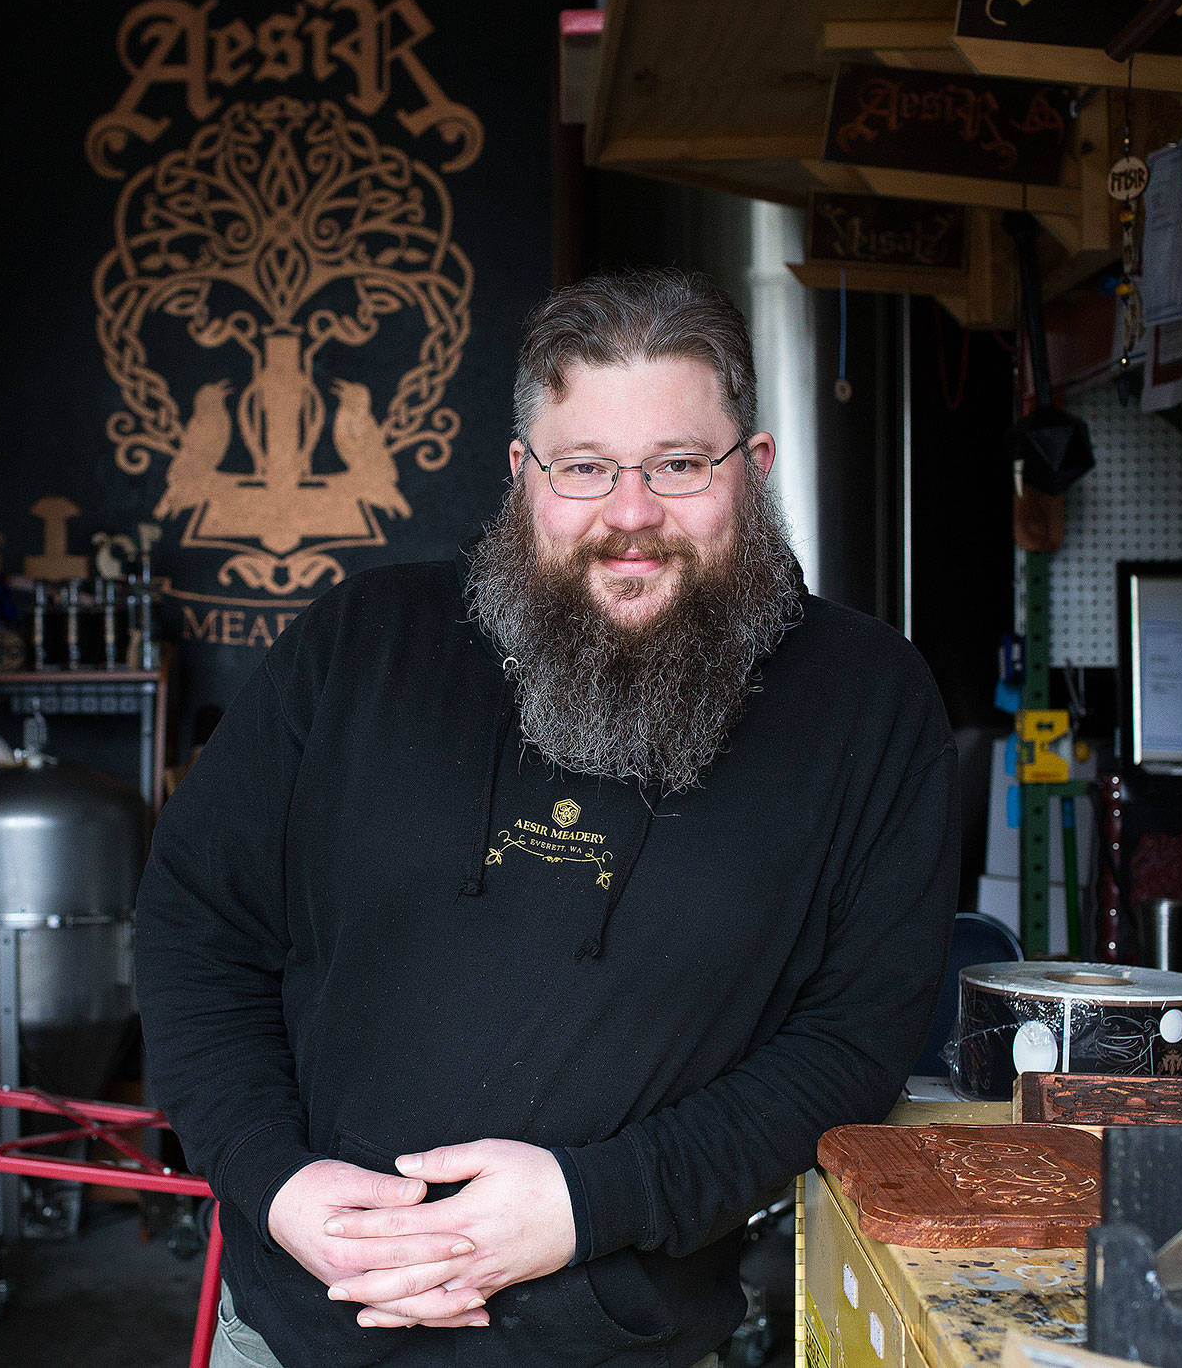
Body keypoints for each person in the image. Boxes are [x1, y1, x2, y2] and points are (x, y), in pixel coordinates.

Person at [136, 267, 958, 1368]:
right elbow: (196, 932)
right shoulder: (357, 645)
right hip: (294, 1334)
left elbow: (853, 1040)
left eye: (677, 464)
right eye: (584, 467)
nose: (630, 514)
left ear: (751, 468)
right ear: (525, 475)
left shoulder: (868, 701)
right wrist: (274, 1181)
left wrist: (586, 1202)